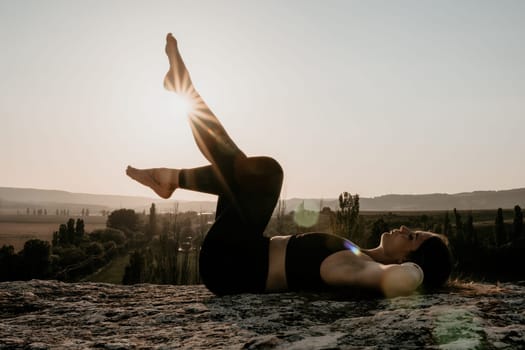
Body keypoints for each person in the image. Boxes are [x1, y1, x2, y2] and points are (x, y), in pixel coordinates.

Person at [127, 33, 452, 297]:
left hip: (231, 265)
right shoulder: (356, 253)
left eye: (412, 239)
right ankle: (173, 160)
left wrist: (416, 273)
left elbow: (391, 279)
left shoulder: (359, 267)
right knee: (241, 174)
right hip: (237, 253)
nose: (406, 229)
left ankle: (182, 96)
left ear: (404, 259)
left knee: (267, 173)